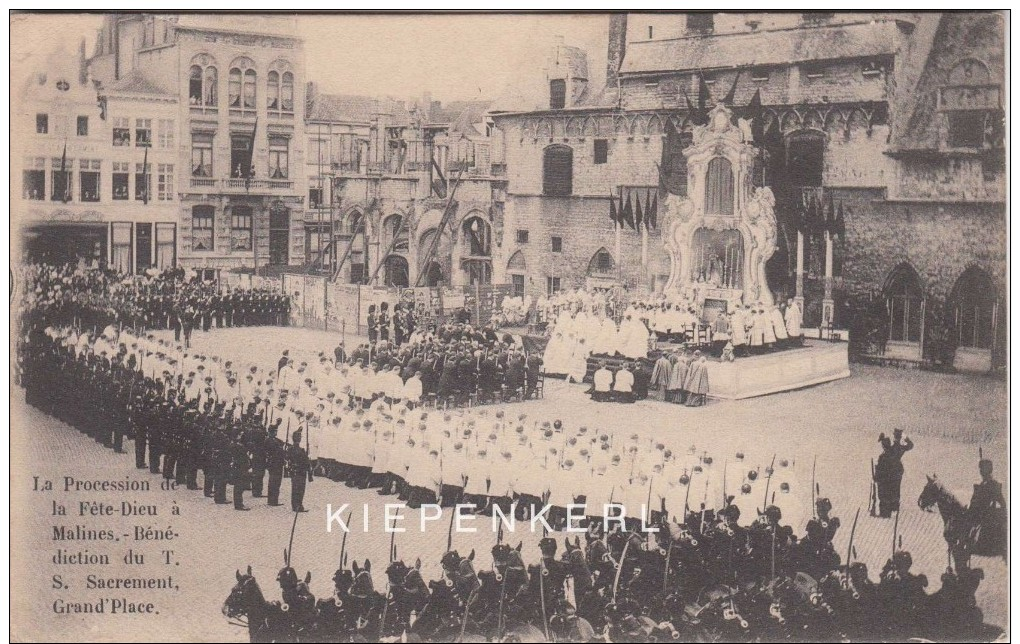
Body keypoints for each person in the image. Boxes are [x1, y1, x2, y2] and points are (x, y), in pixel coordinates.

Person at [968, 458, 1007, 557]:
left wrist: (993, 510)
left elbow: (1002, 503)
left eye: (983, 469)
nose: (981, 471)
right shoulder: (980, 485)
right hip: (978, 514)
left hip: (988, 516)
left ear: (989, 470)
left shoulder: (994, 485)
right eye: (980, 469)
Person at [874, 429, 913, 518]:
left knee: (885, 495)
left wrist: (877, 477)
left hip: (888, 477)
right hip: (896, 476)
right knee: (894, 493)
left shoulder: (888, 453)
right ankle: (893, 510)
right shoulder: (898, 448)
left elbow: (880, 469)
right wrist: (905, 438)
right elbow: (910, 445)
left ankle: (886, 513)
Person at [289, 429, 312, 512]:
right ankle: (298, 505)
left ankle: (296, 505)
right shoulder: (300, 450)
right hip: (300, 471)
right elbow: (305, 462)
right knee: (300, 489)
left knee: (295, 489)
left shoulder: (291, 448)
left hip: (295, 471)